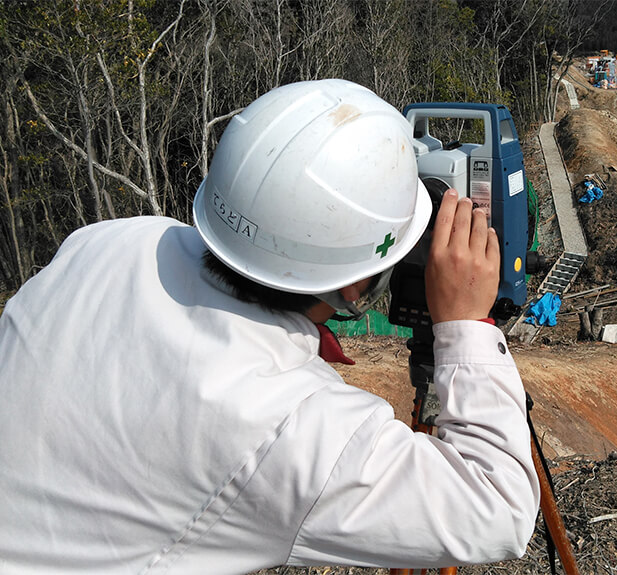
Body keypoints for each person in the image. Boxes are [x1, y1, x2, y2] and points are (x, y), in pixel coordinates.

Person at [0, 79, 540, 573]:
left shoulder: (109, 242)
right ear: (357, 288)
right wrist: (466, 325)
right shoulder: (288, 427)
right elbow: (500, 508)